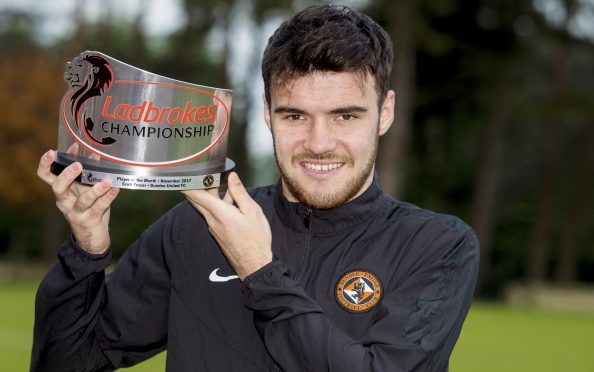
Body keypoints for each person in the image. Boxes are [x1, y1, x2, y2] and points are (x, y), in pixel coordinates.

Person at [32, 5, 479, 372]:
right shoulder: (197, 227)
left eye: (346, 116)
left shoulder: (437, 245)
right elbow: (70, 361)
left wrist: (259, 270)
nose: (319, 143)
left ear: (384, 113)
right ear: (267, 113)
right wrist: (86, 254)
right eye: (294, 116)